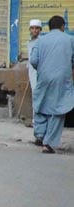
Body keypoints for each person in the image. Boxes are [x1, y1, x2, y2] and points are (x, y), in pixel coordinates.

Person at [29, 15, 74, 153]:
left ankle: (40, 134)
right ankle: (48, 143)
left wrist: (43, 69)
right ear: (62, 27)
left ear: (48, 27)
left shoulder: (40, 41)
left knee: (41, 103)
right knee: (58, 109)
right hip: (62, 78)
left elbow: (33, 60)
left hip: (43, 76)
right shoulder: (70, 40)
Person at [27, 19, 43, 129]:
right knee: (35, 95)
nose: (34, 30)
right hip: (31, 72)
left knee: (39, 95)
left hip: (40, 72)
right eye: (32, 28)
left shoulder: (42, 42)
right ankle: (35, 119)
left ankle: (37, 120)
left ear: (40, 30)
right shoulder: (29, 42)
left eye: (37, 28)